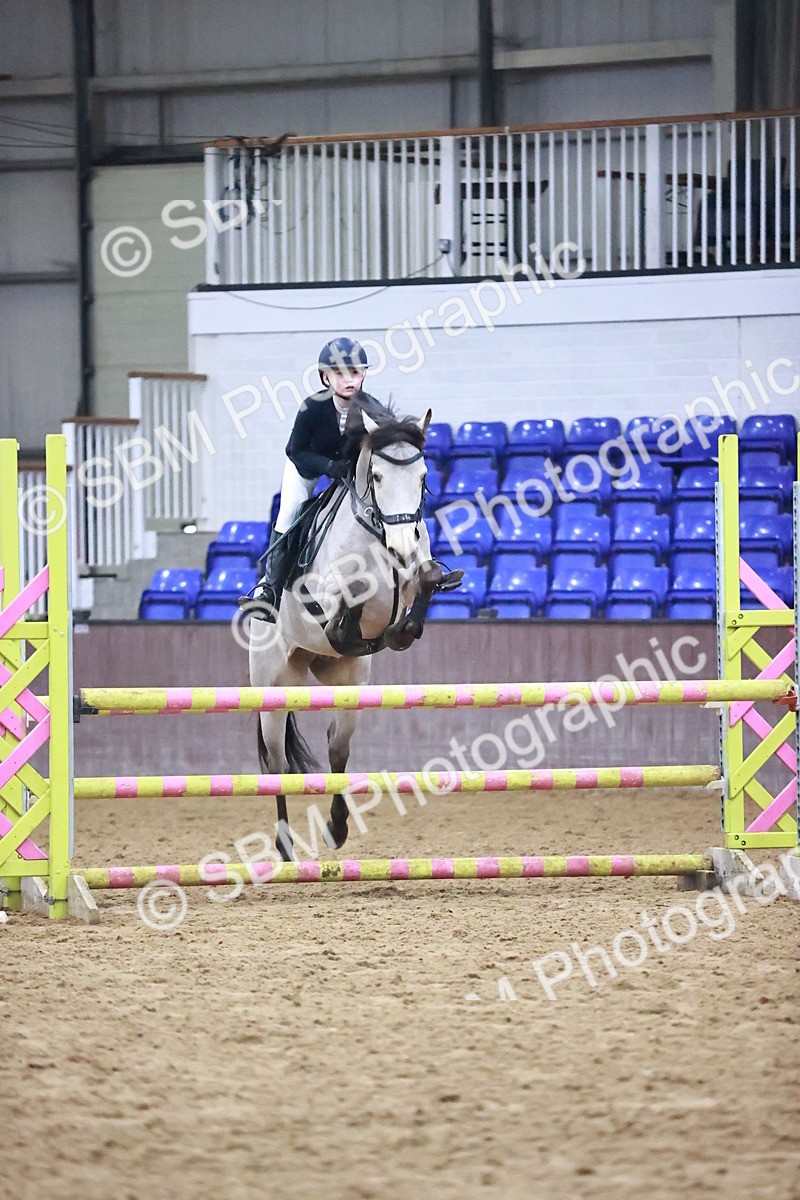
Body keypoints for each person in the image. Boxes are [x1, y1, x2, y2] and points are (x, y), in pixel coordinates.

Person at [251, 336, 376, 620]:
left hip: (349, 473)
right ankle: (269, 590)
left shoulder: (372, 408)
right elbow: (296, 450)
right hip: (307, 465)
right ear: (325, 377)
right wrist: (329, 466)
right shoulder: (312, 407)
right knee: (290, 512)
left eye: (355, 373)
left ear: (364, 375)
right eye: (340, 374)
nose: (349, 380)